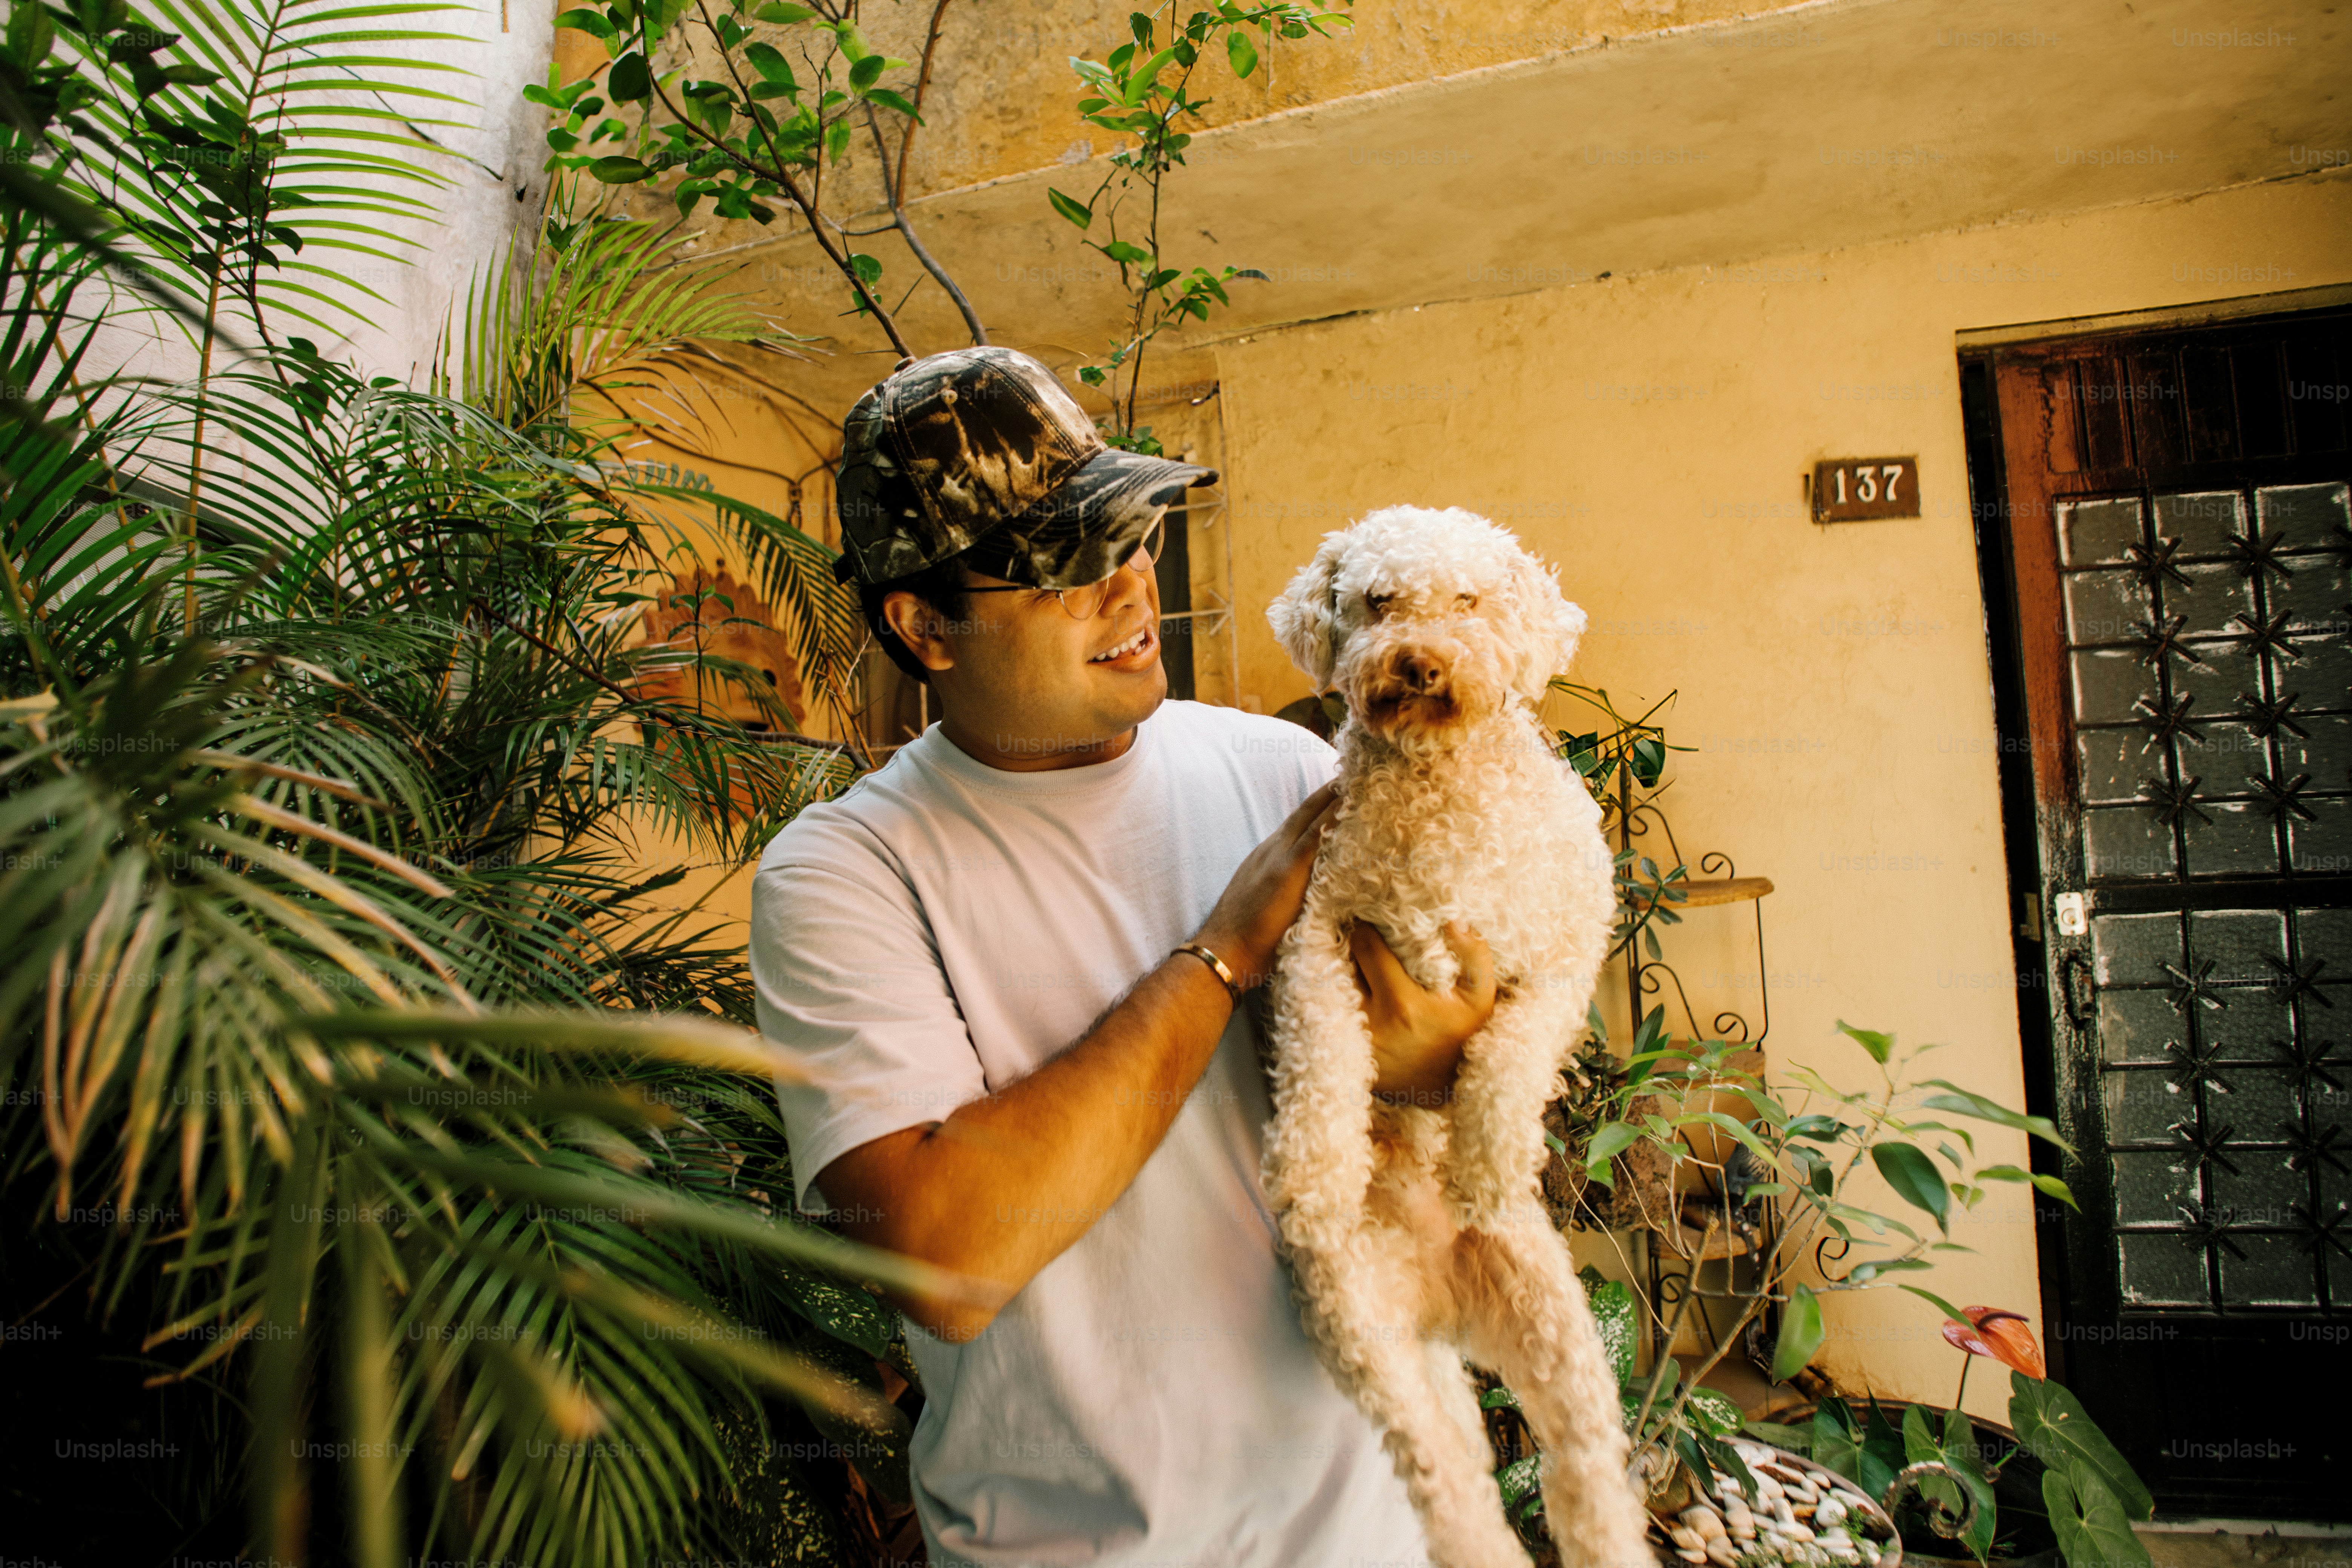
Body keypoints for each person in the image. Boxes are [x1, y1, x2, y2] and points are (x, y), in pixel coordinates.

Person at [751, 346, 1499, 1568]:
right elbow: (950, 1260)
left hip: (1381, 1529)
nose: (1131, 586)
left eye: (1134, 534)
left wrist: (1438, 1051)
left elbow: (1438, 1083)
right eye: (1065, 565)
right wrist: (1228, 945)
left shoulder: (1284, 771)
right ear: (923, 624)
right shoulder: (846, 875)